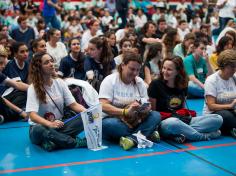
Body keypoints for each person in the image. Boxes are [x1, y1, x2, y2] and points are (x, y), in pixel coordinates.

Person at [148, 56, 223, 143]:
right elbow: (153, 113)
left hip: (181, 120)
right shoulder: (155, 84)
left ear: (178, 71)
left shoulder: (183, 84)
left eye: (169, 69)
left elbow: (182, 108)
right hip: (165, 123)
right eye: (164, 68)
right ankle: (202, 136)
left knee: (218, 119)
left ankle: (181, 134)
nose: (165, 71)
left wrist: (183, 117)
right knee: (173, 123)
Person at [99, 50, 161, 150]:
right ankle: (145, 134)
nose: (135, 73)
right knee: (108, 124)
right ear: (123, 65)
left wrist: (146, 108)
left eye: (137, 70)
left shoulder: (140, 82)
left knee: (156, 115)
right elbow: (103, 105)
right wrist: (125, 112)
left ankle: (132, 139)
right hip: (115, 120)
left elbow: (147, 104)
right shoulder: (110, 80)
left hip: (135, 120)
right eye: (132, 69)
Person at [26, 52, 87, 152]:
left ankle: (52, 141)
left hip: (60, 124)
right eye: (46, 62)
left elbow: (73, 104)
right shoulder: (33, 88)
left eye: (51, 61)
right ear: (38, 68)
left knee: (84, 117)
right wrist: (49, 124)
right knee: (39, 129)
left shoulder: (60, 83)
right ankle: (73, 142)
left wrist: (88, 112)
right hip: (43, 127)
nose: (51, 64)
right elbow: (32, 115)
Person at [203, 49, 236, 138]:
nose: (234, 69)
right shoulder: (212, 80)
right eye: (232, 67)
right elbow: (211, 106)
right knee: (226, 116)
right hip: (213, 115)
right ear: (223, 66)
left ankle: (231, 128)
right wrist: (229, 106)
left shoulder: (234, 78)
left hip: (231, 111)